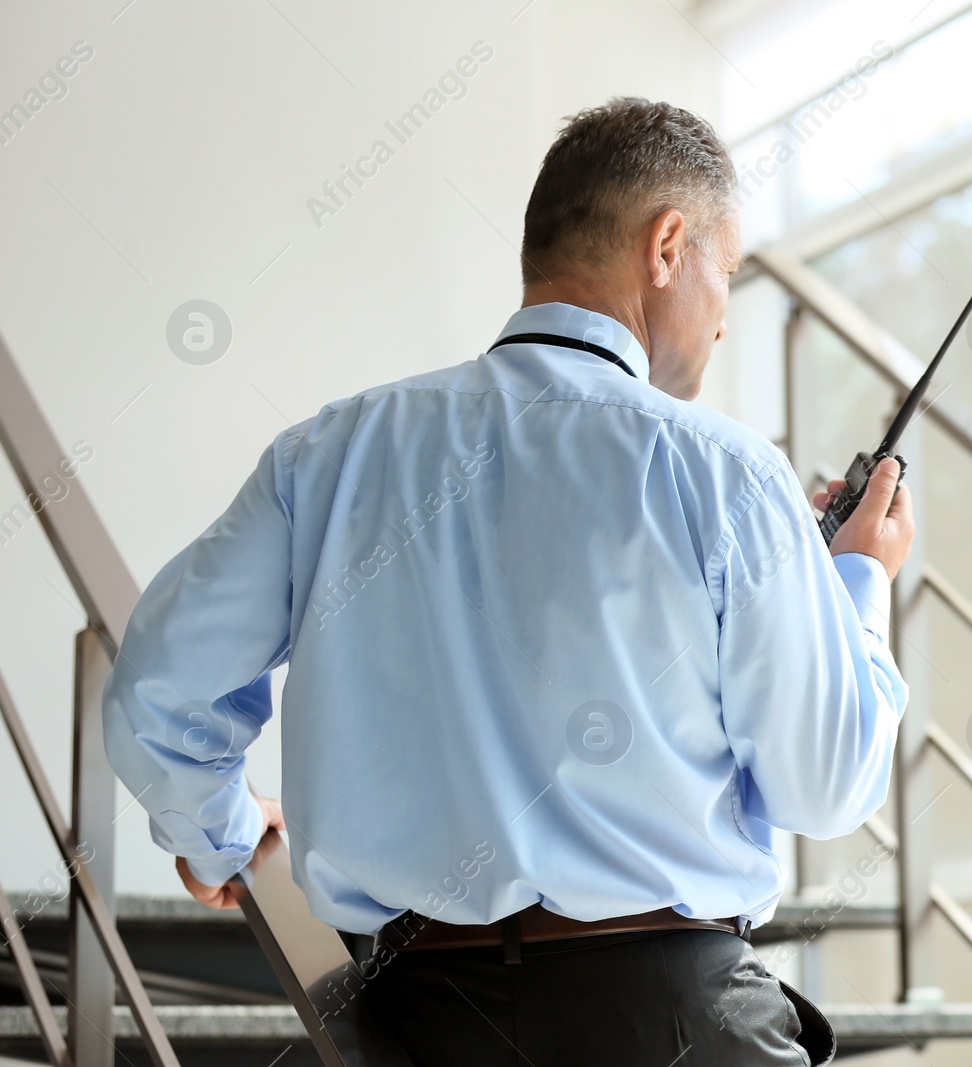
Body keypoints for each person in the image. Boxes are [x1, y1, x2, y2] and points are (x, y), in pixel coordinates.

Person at [101, 97, 914, 1066]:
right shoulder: (727, 470)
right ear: (666, 245)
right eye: (725, 272)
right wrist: (856, 580)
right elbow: (822, 784)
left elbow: (160, 687)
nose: (725, 317)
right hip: (674, 1019)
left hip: (411, 1023)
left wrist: (222, 836)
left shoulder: (330, 453)